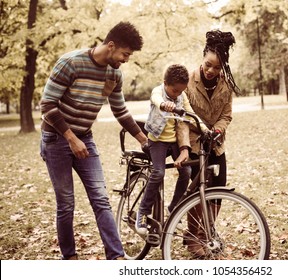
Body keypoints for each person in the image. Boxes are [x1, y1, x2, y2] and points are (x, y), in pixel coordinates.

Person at [39, 21, 148, 260]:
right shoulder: (71, 63)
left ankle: (116, 257)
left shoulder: (114, 73)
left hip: (85, 138)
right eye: (125, 54)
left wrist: (142, 139)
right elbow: (47, 105)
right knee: (66, 203)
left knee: (100, 198)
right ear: (111, 46)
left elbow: (120, 111)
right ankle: (70, 258)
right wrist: (70, 138)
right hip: (56, 138)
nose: (126, 59)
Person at [184, 30, 240, 257]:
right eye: (208, 65)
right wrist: (202, 129)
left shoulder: (226, 85)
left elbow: (227, 115)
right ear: (203, 57)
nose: (211, 70)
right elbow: (183, 113)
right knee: (198, 189)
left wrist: (217, 130)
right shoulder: (187, 80)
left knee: (217, 190)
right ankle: (192, 236)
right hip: (194, 143)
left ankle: (205, 232)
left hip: (216, 143)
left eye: (217, 67)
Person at [135, 64, 208, 235]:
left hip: (173, 141)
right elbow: (156, 100)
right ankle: (143, 212)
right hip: (157, 140)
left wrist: (205, 129)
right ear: (165, 83)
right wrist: (165, 105)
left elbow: (191, 114)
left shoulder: (182, 96)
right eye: (174, 91)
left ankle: (173, 207)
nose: (177, 95)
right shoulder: (158, 92)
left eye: (180, 91)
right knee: (158, 172)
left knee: (186, 171)